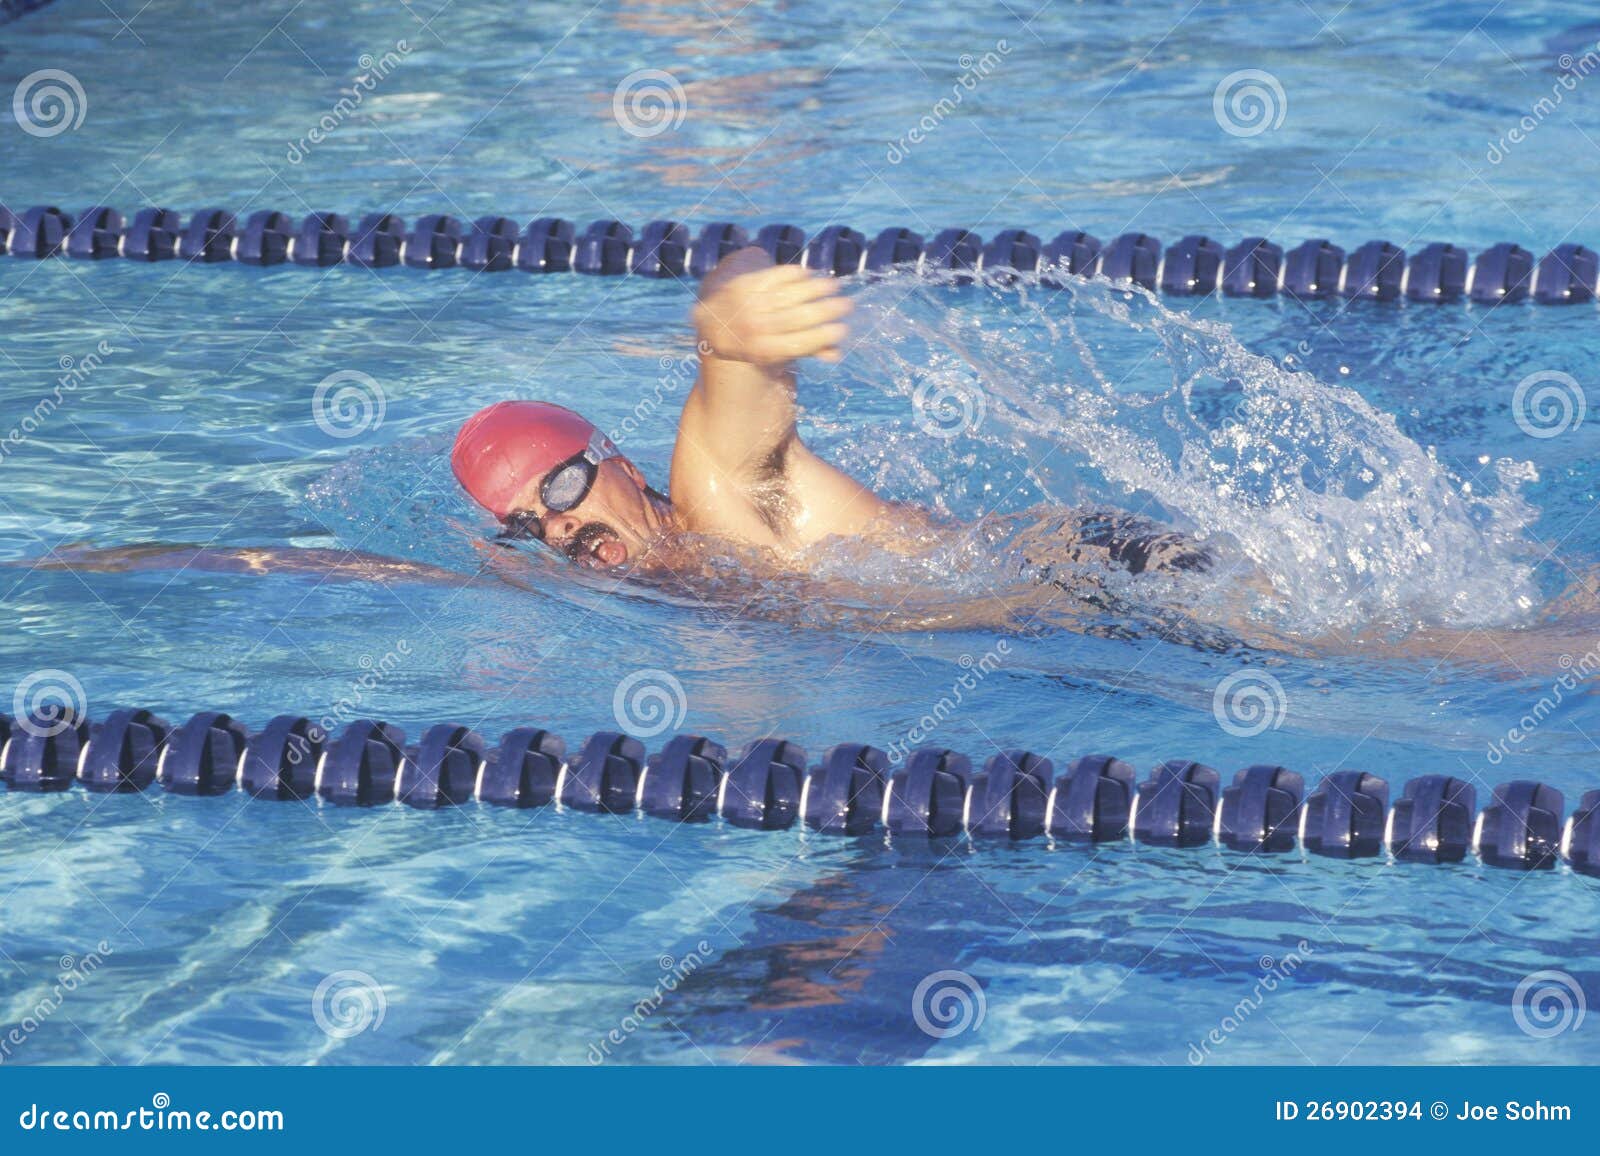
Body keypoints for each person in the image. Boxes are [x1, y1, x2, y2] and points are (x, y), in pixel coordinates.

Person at [451, 247, 1212, 579]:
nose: (555, 527)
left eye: (556, 491)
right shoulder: (669, 580)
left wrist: (730, 317)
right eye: (525, 523)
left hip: (1101, 567)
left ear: (615, 462)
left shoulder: (715, 498)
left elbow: (733, 359)